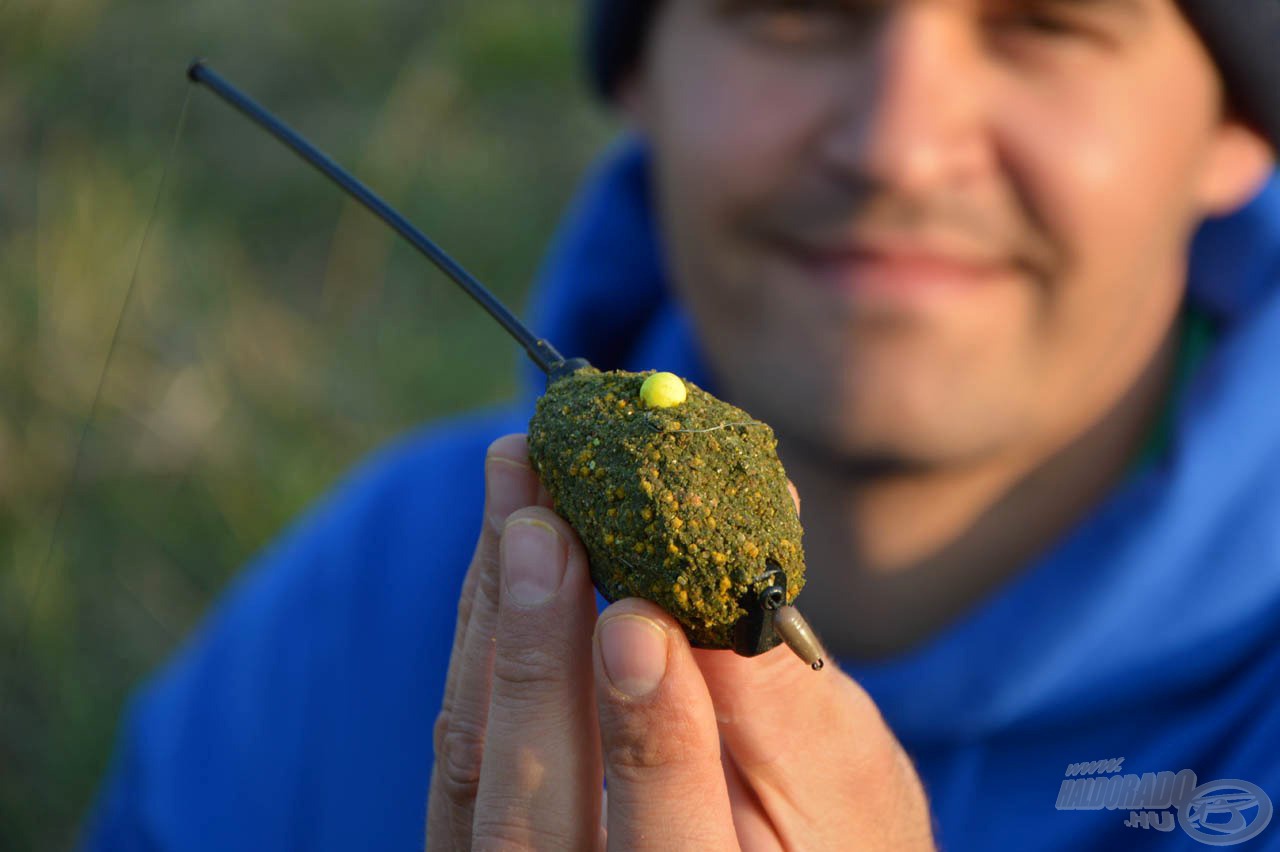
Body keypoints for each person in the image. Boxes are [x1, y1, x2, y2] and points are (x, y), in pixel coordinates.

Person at [84, 0, 1280, 849]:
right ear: (640, 74)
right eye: (795, 10)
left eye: (1047, 21)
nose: (895, 147)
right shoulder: (334, 626)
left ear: (1238, 127)